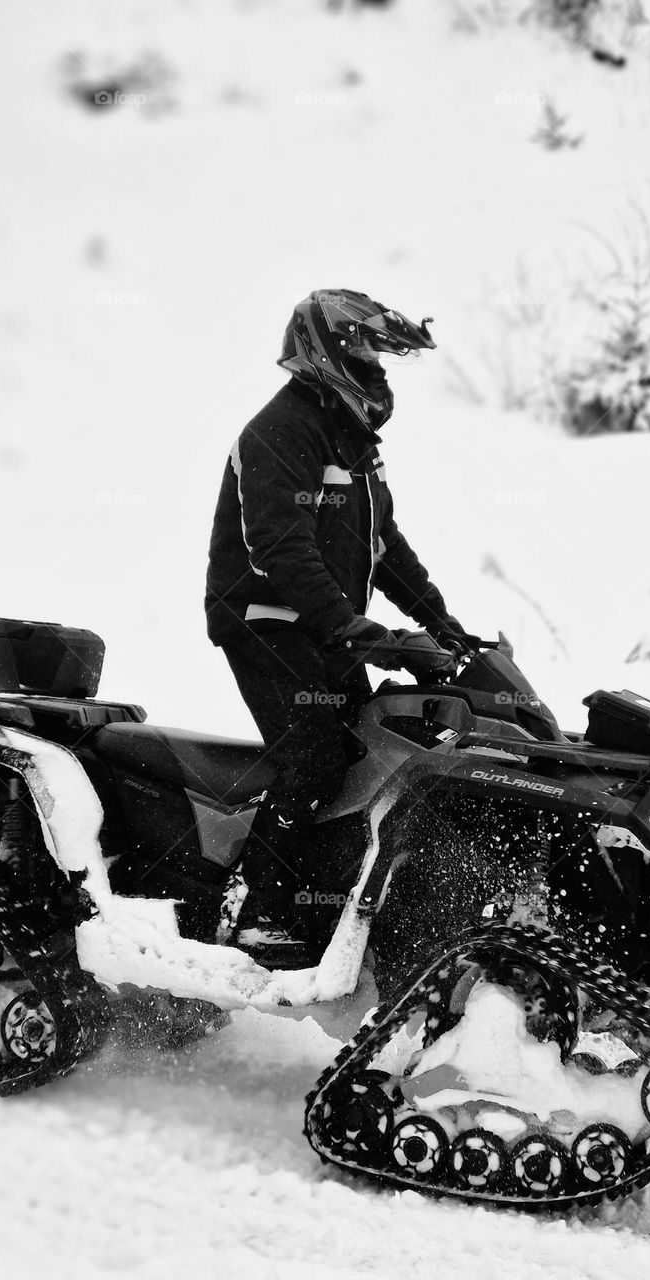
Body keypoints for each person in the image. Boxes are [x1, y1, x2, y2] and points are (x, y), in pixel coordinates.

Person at [205, 289, 473, 967]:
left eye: (383, 356)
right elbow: (281, 549)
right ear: (327, 350)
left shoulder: (354, 444)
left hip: (326, 629)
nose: (377, 368)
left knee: (374, 753)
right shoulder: (280, 431)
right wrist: (360, 630)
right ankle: (253, 908)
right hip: (266, 623)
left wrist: (445, 628)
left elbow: (386, 549)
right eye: (367, 351)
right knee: (316, 753)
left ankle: (329, 902)